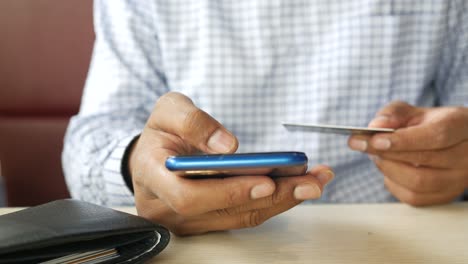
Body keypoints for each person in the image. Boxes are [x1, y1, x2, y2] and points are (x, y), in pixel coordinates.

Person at [63, 0, 468, 235]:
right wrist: (139, 166)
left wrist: (456, 159)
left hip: (406, 234)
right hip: (199, 244)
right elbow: (90, 142)